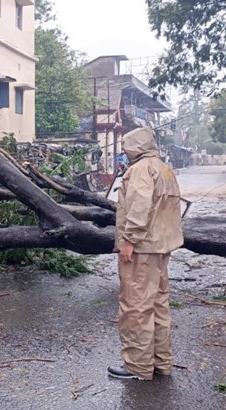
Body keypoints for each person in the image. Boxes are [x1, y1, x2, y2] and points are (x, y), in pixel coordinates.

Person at [108, 127, 184, 381]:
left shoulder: (140, 169)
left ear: (135, 146)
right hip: (161, 247)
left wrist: (128, 240)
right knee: (158, 304)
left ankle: (138, 366)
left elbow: (139, 206)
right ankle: (162, 362)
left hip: (141, 247)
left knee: (136, 307)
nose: (123, 150)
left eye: (126, 145)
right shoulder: (164, 168)